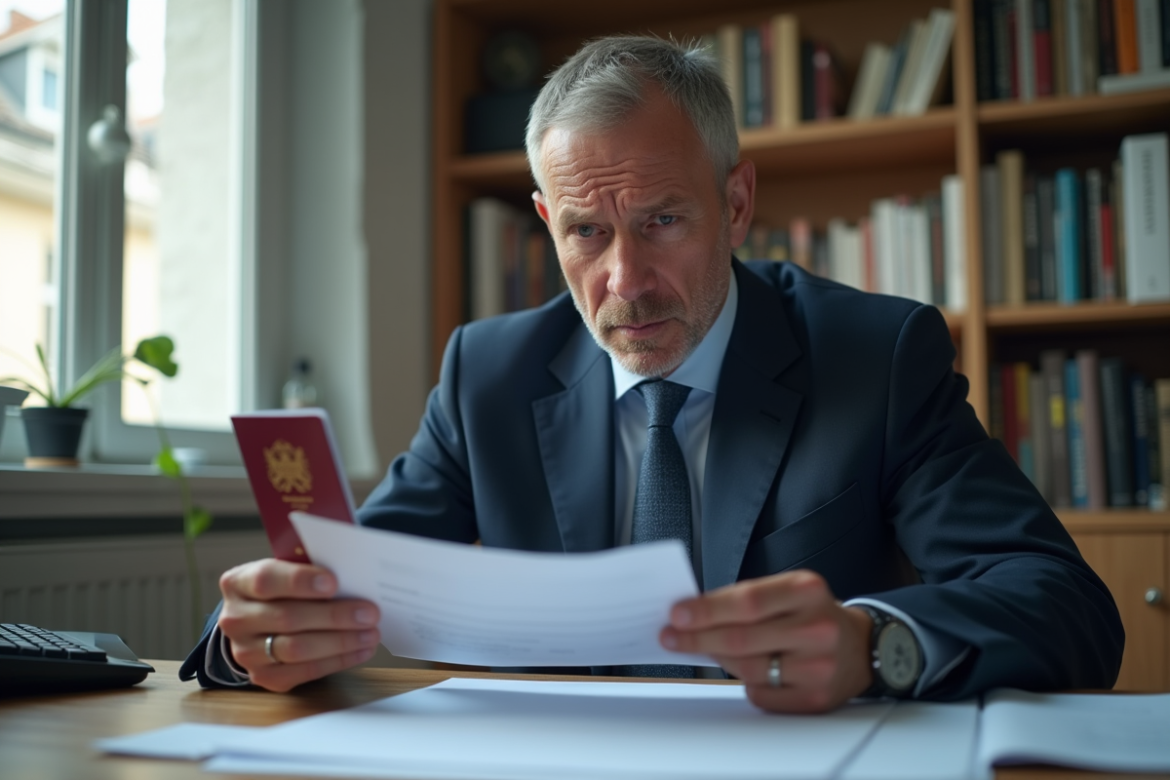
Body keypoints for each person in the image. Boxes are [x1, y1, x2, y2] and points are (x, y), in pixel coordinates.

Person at [181, 36, 1123, 713]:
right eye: (586, 232)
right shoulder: (489, 375)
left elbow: (1062, 603)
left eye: (664, 220)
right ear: (547, 220)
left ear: (737, 202)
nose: (624, 283)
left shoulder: (876, 358)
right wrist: (257, 639)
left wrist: (877, 643)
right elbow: (344, 585)